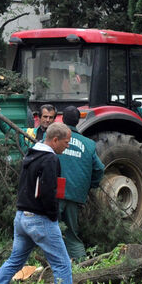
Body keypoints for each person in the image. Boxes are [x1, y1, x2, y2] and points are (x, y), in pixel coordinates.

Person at [0, 123, 74, 284]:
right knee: (62, 263)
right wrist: (53, 216)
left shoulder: (31, 153)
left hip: (21, 218)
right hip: (39, 219)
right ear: (55, 140)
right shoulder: (50, 159)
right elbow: (48, 192)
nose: (67, 145)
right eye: (66, 142)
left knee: (15, 260)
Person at [58, 107, 105, 261]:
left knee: (50, 229)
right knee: (72, 233)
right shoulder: (89, 144)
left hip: (56, 191)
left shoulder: (53, 137)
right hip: (76, 194)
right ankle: (81, 264)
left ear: (63, 119)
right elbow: (99, 169)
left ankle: (53, 264)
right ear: (78, 121)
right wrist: (89, 186)